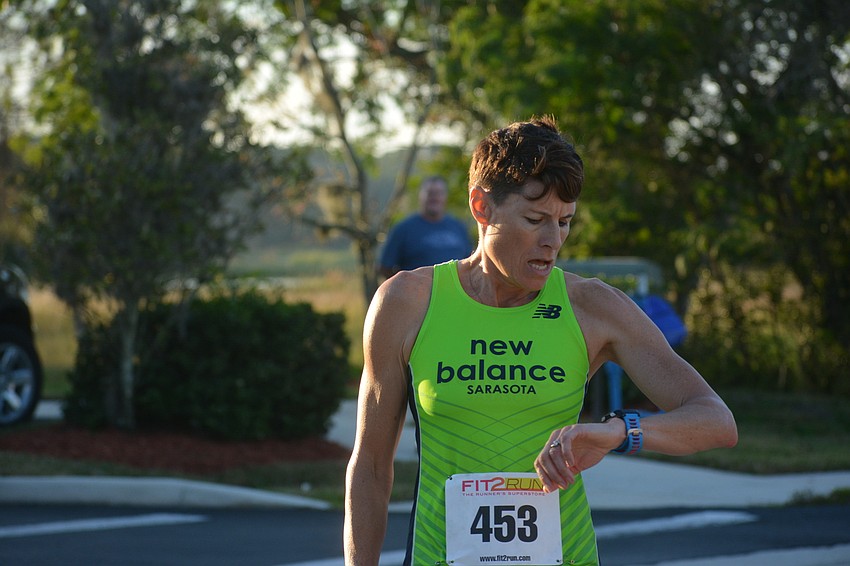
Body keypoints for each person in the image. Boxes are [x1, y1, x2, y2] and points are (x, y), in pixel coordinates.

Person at [344, 116, 738, 566]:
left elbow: (715, 420)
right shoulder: (406, 303)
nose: (553, 241)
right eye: (535, 220)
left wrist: (617, 432)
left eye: (565, 222)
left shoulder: (592, 306)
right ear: (481, 206)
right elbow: (370, 465)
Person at [378, 175, 472, 279]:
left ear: (446, 197)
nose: (434, 198)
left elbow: (470, 263)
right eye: (430, 193)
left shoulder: (459, 227)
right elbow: (385, 267)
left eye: (439, 193)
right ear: (420, 196)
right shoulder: (403, 229)